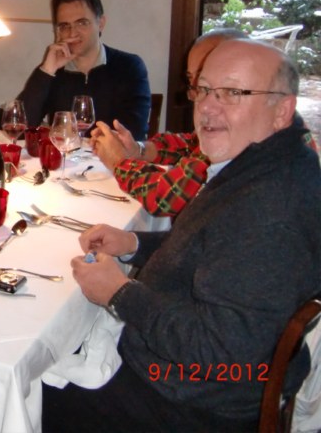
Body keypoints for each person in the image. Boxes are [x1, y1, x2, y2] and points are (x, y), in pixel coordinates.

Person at [43, 39, 321, 431]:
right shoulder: (262, 163)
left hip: (191, 403)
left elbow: (218, 351)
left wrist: (120, 293)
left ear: (282, 110)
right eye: (204, 89)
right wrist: (135, 244)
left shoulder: (270, 210)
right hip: (190, 378)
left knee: (22, 392)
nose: (208, 106)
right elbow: (214, 249)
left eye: (233, 93)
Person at [90, 29, 246, 217]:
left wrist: (118, 162)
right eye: (193, 82)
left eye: (204, 80)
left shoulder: (241, 136)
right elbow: (189, 144)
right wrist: (138, 150)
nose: (201, 101)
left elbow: (164, 197)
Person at [17, 0, 151, 140]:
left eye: (82, 23)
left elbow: (134, 133)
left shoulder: (129, 67)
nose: (72, 33)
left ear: (101, 23)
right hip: (64, 155)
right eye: (65, 26)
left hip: (110, 155)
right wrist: (46, 71)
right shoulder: (53, 72)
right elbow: (20, 127)